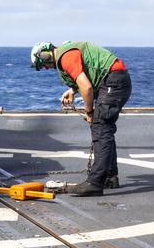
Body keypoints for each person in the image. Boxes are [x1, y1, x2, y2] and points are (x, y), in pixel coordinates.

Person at [31, 41, 132, 196]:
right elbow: (86, 75)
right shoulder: (67, 54)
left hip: (113, 81)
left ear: (46, 55)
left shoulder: (66, 58)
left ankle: (95, 183)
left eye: (43, 64)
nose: (45, 67)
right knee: (104, 129)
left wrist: (90, 113)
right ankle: (110, 177)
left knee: (100, 127)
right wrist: (72, 90)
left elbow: (87, 87)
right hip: (114, 80)